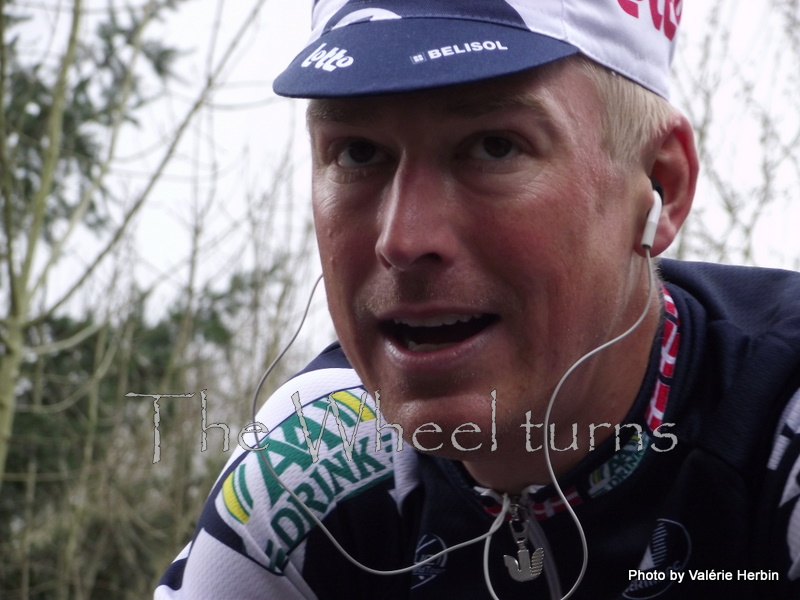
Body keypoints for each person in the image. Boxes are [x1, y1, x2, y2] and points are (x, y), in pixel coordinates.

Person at [155, 1, 800, 598]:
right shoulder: (317, 457)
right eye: (358, 151)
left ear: (660, 185)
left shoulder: (778, 420)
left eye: (494, 146)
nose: (402, 239)